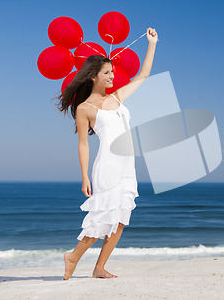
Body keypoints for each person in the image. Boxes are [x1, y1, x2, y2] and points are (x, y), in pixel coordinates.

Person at [56, 27, 158, 280]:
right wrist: (84, 177)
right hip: (108, 166)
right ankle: (73, 256)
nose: (113, 76)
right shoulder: (84, 108)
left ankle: (99, 267)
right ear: (93, 76)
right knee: (103, 218)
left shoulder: (118, 98)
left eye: (112, 71)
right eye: (108, 73)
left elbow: (143, 75)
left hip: (127, 167)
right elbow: (83, 144)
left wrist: (152, 43)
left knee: (120, 219)